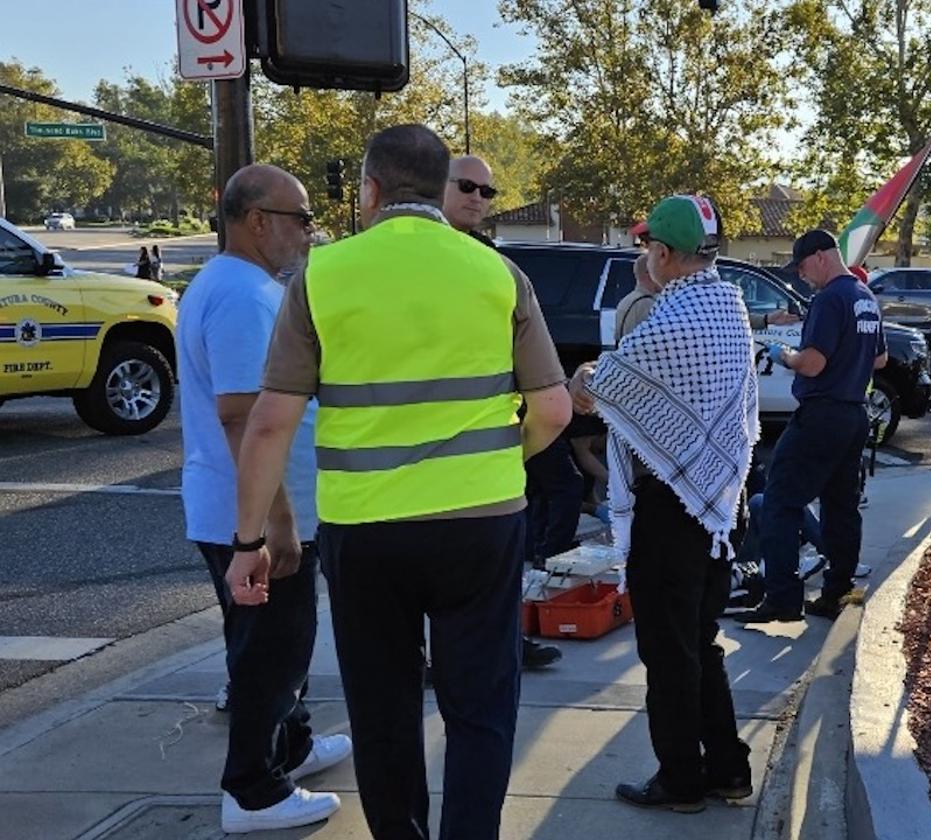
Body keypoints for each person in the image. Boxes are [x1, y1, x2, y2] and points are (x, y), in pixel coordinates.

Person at [226, 125, 572, 839]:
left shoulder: (323, 275)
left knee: (383, 713)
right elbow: (554, 409)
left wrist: (248, 541)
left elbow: (266, 425)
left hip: (366, 533)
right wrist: (504, 460)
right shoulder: (498, 276)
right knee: (481, 709)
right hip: (481, 525)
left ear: (370, 189)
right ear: (443, 189)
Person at [176, 164, 350, 834]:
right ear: (256, 221)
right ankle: (252, 789)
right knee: (274, 651)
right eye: (299, 217)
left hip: (239, 510)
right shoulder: (244, 297)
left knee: (269, 645)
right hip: (255, 518)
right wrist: (275, 525)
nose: (308, 231)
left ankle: (293, 746)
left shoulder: (232, 287)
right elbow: (244, 418)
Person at [570, 195, 758, 813]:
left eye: (646, 246)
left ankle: (680, 780)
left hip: (670, 510)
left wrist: (580, 380)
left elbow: (604, 392)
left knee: (667, 651)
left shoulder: (672, 320)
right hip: (717, 506)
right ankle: (728, 768)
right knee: (700, 641)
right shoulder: (730, 307)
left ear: (661, 252)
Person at [441, 153, 564, 670]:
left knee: (502, 550)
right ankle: (449, 654)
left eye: (487, 191)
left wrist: (513, 453)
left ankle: (505, 642)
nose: (477, 197)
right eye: (466, 186)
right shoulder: (424, 261)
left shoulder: (494, 263)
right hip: (428, 451)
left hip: (494, 439)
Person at [736, 229, 887, 623]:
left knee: (780, 502)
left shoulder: (830, 298)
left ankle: (782, 598)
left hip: (820, 415)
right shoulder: (864, 298)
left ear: (820, 257)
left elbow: (813, 363)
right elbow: (880, 359)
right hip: (854, 414)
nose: (801, 276)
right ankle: (836, 590)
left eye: (801, 267)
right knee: (841, 506)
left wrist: (784, 354)